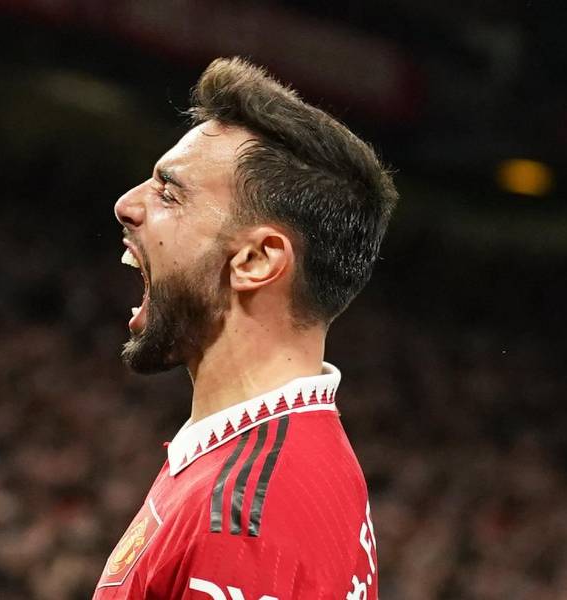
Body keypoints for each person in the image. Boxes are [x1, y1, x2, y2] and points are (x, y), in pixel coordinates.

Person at [94, 57, 398, 600]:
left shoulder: (242, 517)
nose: (127, 204)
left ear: (257, 259)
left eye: (169, 193)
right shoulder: (283, 458)